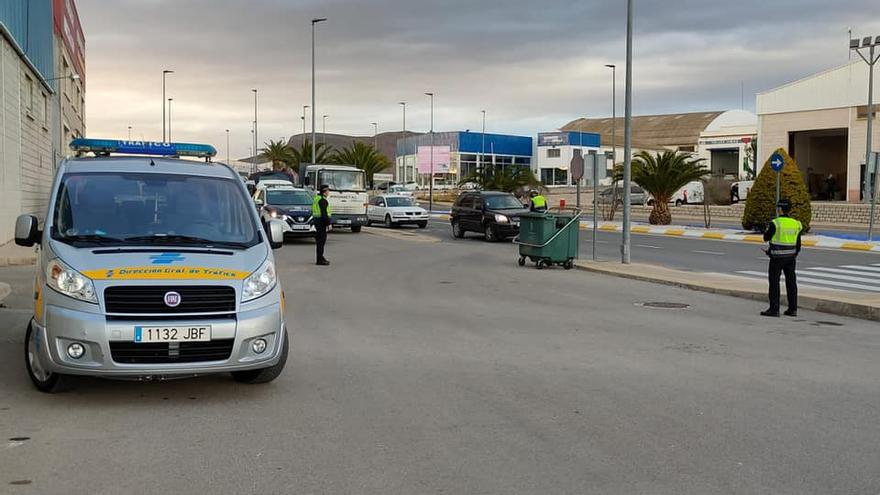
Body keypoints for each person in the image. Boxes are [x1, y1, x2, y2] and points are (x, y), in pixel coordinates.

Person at [761, 198, 803, 317]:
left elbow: (766, 238)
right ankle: (792, 309)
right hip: (791, 258)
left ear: (780, 209)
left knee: (774, 282)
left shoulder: (775, 223)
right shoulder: (797, 224)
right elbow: (798, 243)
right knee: (791, 283)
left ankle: (774, 309)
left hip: (777, 258)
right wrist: (793, 254)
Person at [312, 185, 332, 266]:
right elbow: (324, 214)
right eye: (328, 191)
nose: (328, 192)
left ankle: (320, 257)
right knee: (321, 241)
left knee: (319, 241)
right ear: (325, 191)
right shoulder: (323, 201)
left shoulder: (317, 198)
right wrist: (328, 223)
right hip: (321, 222)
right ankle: (320, 260)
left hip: (317, 221)